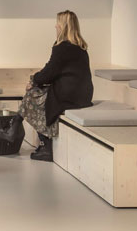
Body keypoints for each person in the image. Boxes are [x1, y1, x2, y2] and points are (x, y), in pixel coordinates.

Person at [20, 10, 93, 163]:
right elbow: (53, 71)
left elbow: (49, 73)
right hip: (83, 95)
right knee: (39, 93)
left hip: (68, 95)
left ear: (63, 26)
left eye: (57, 23)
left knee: (33, 96)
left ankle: (45, 145)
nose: (55, 26)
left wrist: (33, 81)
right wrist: (36, 80)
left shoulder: (62, 48)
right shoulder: (80, 47)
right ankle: (15, 126)